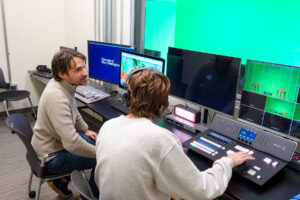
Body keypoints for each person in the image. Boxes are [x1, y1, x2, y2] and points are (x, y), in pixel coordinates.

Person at [95, 69, 254, 200]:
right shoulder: (161, 139)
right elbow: (202, 190)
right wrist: (227, 162)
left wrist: (170, 188)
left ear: (127, 98)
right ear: (163, 106)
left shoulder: (108, 126)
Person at [32, 49, 99, 199]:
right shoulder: (57, 97)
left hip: (50, 144)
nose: (85, 73)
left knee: (96, 141)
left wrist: (86, 130)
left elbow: (73, 109)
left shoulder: (62, 84)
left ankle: (60, 181)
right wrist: (100, 153)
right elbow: (72, 144)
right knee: (103, 157)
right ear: (62, 73)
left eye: (84, 67)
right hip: (51, 157)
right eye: (78, 70)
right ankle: (90, 196)